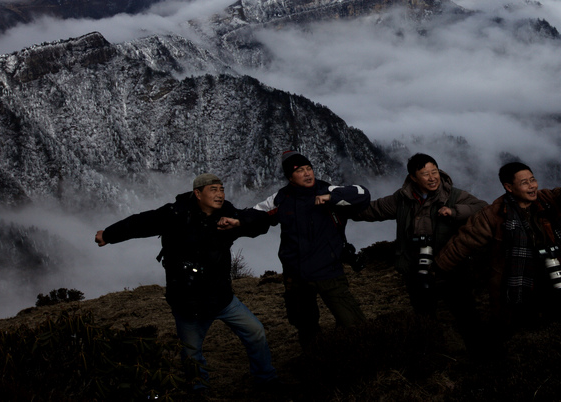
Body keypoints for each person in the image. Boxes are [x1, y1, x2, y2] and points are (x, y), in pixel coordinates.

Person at [94, 173, 277, 390]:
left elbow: (259, 222)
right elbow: (140, 223)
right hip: (187, 302)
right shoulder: (175, 214)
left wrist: (239, 222)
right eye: (213, 189)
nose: (219, 194)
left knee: (255, 332)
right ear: (197, 193)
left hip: (221, 298)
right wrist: (109, 234)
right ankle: (198, 390)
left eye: (221, 189)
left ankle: (266, 380)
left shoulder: (227, 214)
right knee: (191, 353)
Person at [435, 161, 561, 331]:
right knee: (530, 332)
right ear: (509, 187)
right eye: (525, 183)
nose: (532, 186)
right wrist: (437, 269)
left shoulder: (548, 199)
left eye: (533, 180)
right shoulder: (493, 215)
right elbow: (463, 242)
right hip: (523, 287)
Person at [352, 153, 487, 349]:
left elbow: (482, 208)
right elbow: (375, 210)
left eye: (435, 172)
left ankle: (482, 355)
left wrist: (455, 212)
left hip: (450, 267)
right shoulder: (403, 198)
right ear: (413, 177)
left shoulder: (453, 196)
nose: (432, 178)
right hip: (415, 270)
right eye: (425, 174)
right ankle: (434, 360)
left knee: (466, 314)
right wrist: (340, 209)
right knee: (425, 317)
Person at [252, 151, 370, 349]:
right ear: (290, 177)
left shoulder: (327, 189)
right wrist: (236, 220)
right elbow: (255, 215)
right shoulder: (281, 198)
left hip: (329, 270)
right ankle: (314, 363)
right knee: (305, 326)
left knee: (353, 322)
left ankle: (357, 360)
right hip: (296, 275)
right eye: (300, 171)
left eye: (309, 168)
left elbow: (362, 194)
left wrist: (331, 197)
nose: (307, 174)